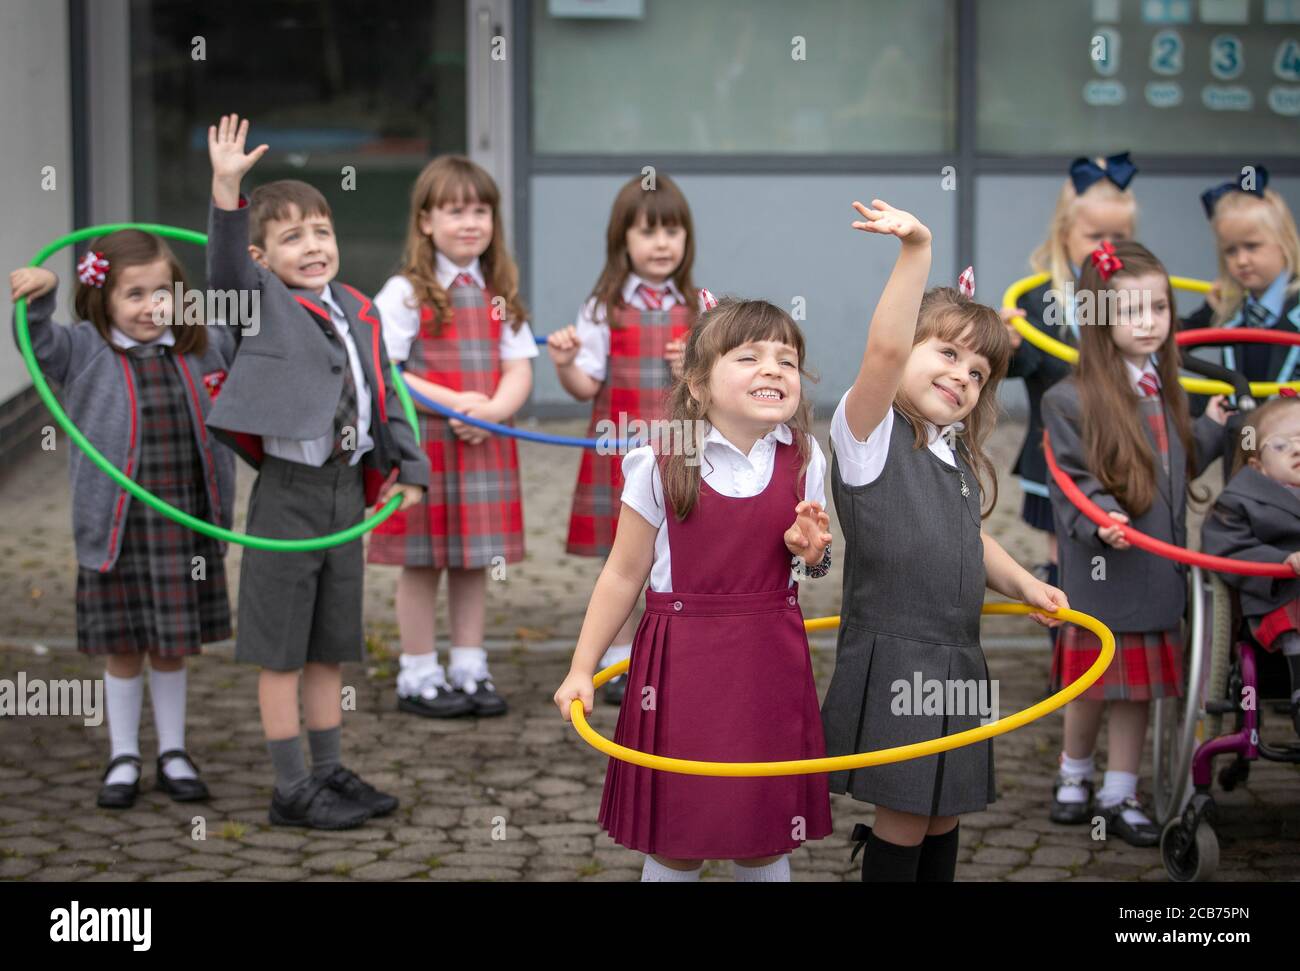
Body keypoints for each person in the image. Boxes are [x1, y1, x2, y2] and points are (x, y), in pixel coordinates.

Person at [555, 298, 834, 882]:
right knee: (677, 834)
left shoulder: (807, 460)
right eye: (750, 356)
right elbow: (623, 573)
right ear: (700, 385)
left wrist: (813, 554)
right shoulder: (658, 461)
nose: (773, 370)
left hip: (768, 663)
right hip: (680, 664)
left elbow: (813, 569)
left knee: (763, 832)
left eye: (787, 359)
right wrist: (582, 667)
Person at [205, 114, 427, 829]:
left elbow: (385, 399)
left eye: (321, 232)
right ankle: (290, 785)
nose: (313, 246)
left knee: (331, 643)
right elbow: (224, 272)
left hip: (346, 497)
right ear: (263, 258)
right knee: (281, 650)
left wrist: (411, 468)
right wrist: (226, 191)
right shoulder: (261, 305)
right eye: (292, 237)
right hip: (288, 498)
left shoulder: (359, 309)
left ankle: (329, 769)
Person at [10, 229, 236, 809]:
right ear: (104, 298)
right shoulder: (85, 350)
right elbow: (36, 341)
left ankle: (175, 752)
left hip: (183, 523)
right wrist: (43, 293)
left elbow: (256, 329)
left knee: (171, 646)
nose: (150, 307)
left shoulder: (202, 344)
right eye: (133, 294)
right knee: (124, 648)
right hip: (117, 528)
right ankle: (123, 755)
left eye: (162, 293)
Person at [369, 155, 536, 718]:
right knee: (422, 561)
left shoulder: (500, 292)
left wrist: (491, 409)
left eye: (481, 210)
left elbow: (519, 368)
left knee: (473, 561)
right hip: (425, 449)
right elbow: (385, 369)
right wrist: (456, 403)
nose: (470, 222)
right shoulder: (405, 292)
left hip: (483, 445)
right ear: (425, 221)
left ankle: (469, 666)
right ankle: (418, 672)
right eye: (455, 210)